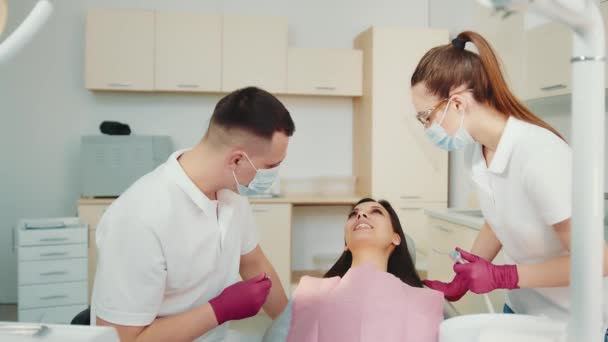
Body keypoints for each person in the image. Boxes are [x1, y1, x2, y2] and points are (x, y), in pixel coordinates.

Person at [410, 31, 608, 329]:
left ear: (458, 104)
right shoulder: (476, 151)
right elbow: (498, 217)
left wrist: (505, 275)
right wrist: (462, 279)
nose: (426, 128)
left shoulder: (538, 155)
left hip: (572, 321)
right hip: (522, 308)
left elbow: (597, 260)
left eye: (426, 116)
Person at [91, 87, 295, 342]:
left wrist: (294, 326)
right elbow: (124, 340)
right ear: (236, 161)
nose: (273, 176)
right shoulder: (139, 218)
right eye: (271, 167)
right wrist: (219, 310)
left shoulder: (233, 196)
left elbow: (253, 263)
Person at [263, 198, 443, 342]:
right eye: (353, 214)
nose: (361, 214)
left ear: (396, 238)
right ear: (346, 245)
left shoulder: (423, 301)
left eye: (376, 212)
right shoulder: (310, 293)